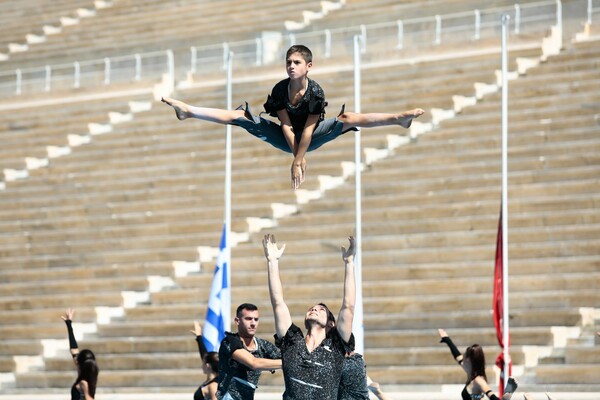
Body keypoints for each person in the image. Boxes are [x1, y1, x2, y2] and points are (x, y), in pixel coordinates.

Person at [162, 44, 425, 190]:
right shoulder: (279, 90)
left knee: (347, 117)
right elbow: (287, 127)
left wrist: (299, 160)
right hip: (284, 136)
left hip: (313, 134)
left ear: (308, 66)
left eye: (296, 63)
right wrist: (297, 159)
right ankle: (189, 111)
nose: (291, 66)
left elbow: (309, 131)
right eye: (288, 62)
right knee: (242, 116)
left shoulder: (315, 92)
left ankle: (398, 118)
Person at [263, 233, 356, 399]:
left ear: (331, 324)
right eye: (311, 308)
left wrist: (349, 263)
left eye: (321, 309)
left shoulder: (336, 345)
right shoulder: (291, 341)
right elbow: (278, 302)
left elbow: (348, 307)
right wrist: (272, 261)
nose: (314, 309)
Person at [216, 303, 282, 400]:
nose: (253, 323)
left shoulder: (263, 345)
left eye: (256, 319)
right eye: (248, 319)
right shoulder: (229, 342)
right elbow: (253, 363)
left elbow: (286, 356)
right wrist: (287, 362)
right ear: (237, 321)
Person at [438, 329, 518, 400]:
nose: (462, 357)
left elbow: (491, 395)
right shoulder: (470, 371)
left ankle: (505, 398)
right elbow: (457, 356)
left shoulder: (479, 380)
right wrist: (447, 339)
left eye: (464, 356)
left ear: (469, 360)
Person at [61, 309, 99, 400]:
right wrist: (69, 324)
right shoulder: (89, 376)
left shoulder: (83, 383)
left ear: (79, 363)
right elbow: (74, 350)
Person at [190, 321, 219, 400]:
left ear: (207, 366)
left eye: (203, 363)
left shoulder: (213, 386)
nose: (201, 365)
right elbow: (205, 356)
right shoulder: (211, 380)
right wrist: (199, 337)